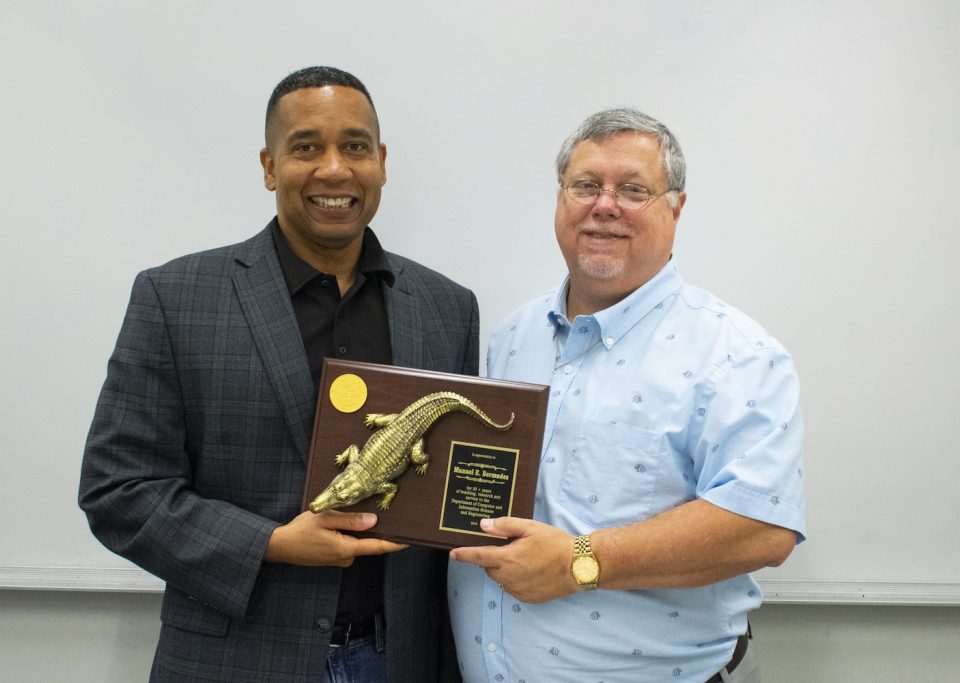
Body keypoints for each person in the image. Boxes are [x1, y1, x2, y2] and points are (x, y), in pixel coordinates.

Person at [79, 66, 472, 682]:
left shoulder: (448, 307)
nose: (334, 169)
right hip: (234, 661)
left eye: (355, 147)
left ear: (381, 162)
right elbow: (117, 490)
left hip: (399, 661)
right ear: (269, 166)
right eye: (306, 148)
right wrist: (270, 544)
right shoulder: (175, 297)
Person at [447, 108, 805, 682]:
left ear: (676, 208)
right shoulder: (513, 335)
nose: (605, 205)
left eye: (633, 190)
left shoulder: (736, 355)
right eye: (585, 185)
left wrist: (580, 562)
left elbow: (762, 528)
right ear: (560, 197)